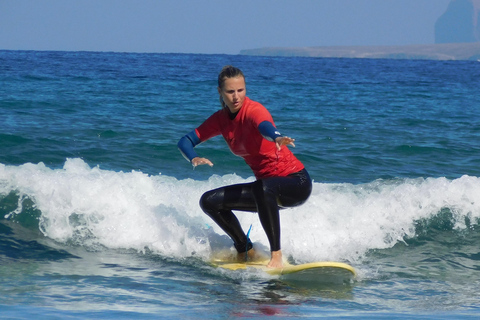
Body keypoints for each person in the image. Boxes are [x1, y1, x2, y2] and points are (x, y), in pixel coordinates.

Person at [177, 65, 312, 268]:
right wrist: (193, 157)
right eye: (230, 91)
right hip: (264, 192)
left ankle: (276, 256)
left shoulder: (254, 110)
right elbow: (186, 140)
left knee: (263, 186)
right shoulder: (220, 120)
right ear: (220, 92)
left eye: (240, 90)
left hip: (296, 183)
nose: (236, 96)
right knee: (210, 201)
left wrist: (276, 136)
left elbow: (264, 125)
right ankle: (245, 249)